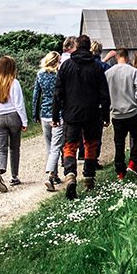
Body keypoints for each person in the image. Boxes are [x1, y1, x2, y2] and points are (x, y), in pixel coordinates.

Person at [53, 35, 110, 199]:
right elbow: (104, 93)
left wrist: (55, 115)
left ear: (76, 47)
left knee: (69, 146)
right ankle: (88, 179)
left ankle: (70, 175)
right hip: (92, 113)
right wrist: (106, 115)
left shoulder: (66, 66)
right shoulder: (96, 67)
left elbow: (58, 92)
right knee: (90, 145)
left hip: (71, 113)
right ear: (89, 48)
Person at [0, 56, 28, 192]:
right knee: (14, 148)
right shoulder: (13, 82)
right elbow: (19, 104)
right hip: (13, 117)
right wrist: (24, 121)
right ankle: (14, 176)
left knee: (1, 148)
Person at [106, 48, 137, 179]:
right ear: (128, 57)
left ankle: (120, 172)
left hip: (117, 114)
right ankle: (133, 163)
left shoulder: (108, 73)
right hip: (132, 112)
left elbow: (105, 93)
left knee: (119, 143)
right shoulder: (133, 71)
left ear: (116, 57)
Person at [30, 51, 64, 192]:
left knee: (50, 146)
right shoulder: (59, 75)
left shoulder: (40, 75)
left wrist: (34, 114)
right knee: (56, 146)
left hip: (44, 114)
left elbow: (36, 96)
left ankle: (55, 175)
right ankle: (50, 175)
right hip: (58, 114)